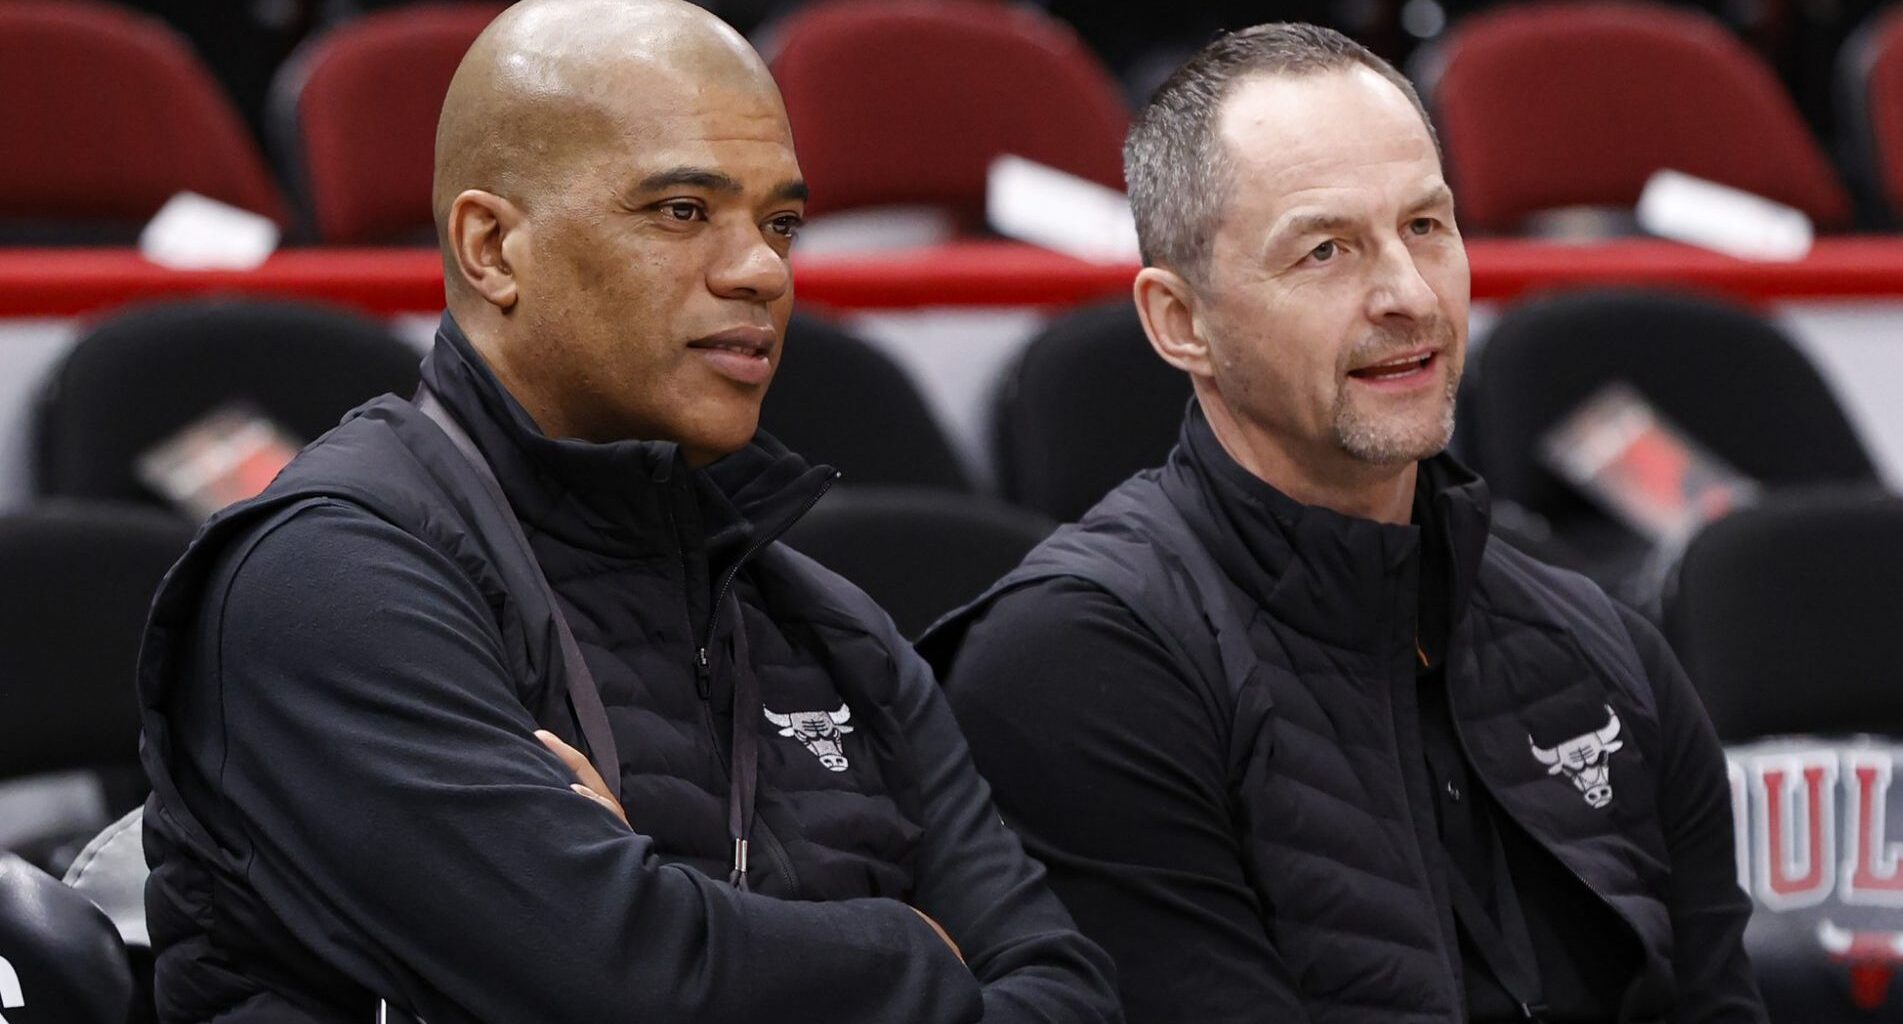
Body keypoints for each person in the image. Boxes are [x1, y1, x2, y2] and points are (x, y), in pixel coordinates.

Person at [135, 2, 1119, 1020]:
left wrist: (672, 913)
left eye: (781, 222)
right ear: (491, 248)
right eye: (683, 210)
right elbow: (619, 986)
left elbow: (1069, 999)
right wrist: (914, 947)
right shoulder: (327, 575)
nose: (761, 270)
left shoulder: (831, 627)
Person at [924, 23, 1765, 1024]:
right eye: (1327, 250)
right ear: (1178, 321)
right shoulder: (1072, 662)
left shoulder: (1605, 648)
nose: (1409, 296)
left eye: (1426, 226)